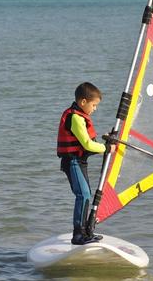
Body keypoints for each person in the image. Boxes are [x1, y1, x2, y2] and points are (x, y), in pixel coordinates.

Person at [57, 82, 116, 245]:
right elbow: (87, 145)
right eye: (94, 105)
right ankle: (78, 235)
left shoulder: (80, 117)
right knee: (83, 195)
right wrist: (106, 148)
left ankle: (86, 232)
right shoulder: (75, 117)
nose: (95, 109)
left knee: (86, 195)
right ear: (83, 102)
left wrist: (106, 140)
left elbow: (89, 142)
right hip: (73, 162)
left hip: (80, 161)